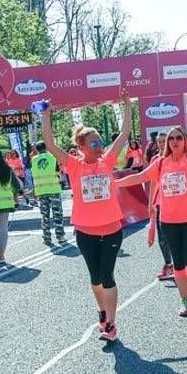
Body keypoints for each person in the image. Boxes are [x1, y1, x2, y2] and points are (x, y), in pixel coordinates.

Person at [42, 96, 133, 340]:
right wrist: (46, 115)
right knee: (95, 278)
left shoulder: (108, 161)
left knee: (107, 276)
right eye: (94, 144)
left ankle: (111, 324)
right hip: (85, 232)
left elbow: (124, 135)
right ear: (82, 146)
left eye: (100, 142)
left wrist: (126, 106)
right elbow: (50, 145)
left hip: (112, 229)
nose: (99, 147)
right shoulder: (73, 165)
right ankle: (102, 310)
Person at [119, 108, 187, 316]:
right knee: (178, 263)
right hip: (169, 222)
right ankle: (185, 301)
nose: (174, 141)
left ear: (184, 141)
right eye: (171, 138)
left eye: (178, 138)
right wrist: (114, 184)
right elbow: (139, 178)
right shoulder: (161, 163)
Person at [147, 134, 175, 281]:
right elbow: (152, 182)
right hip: (160, 203)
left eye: (164, 141)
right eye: (159, 142)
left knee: (176, 236)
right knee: (162, 237)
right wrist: (150, 204)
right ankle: (168, 264)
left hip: (175, 205)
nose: (162, 144)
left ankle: (182, 265)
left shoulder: (177, 158)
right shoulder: (155, 159)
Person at [31, 141, 66, 246]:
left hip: (41, 191)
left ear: (37, 149)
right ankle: (60, 236)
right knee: (57, 214)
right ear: (46, 147)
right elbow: (58, 172)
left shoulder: (33, 160)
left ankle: (47, 237)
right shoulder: (53, 157)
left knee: (45, 215)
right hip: (53, 189)